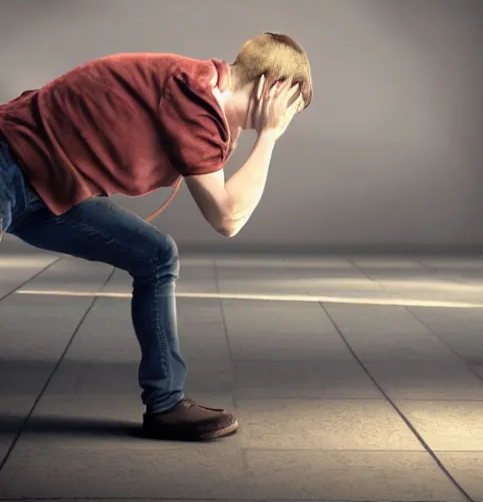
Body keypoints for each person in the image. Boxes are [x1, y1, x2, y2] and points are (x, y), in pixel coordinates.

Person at [0, 32, 312, 441]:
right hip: (9, 157)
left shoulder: (207, 103)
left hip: (52, 191)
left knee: (156, 255)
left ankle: (165, 406)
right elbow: (228, 216)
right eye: (291, 105)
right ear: (272, 86)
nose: (288, 118)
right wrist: (269, 137)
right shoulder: (194, 98)